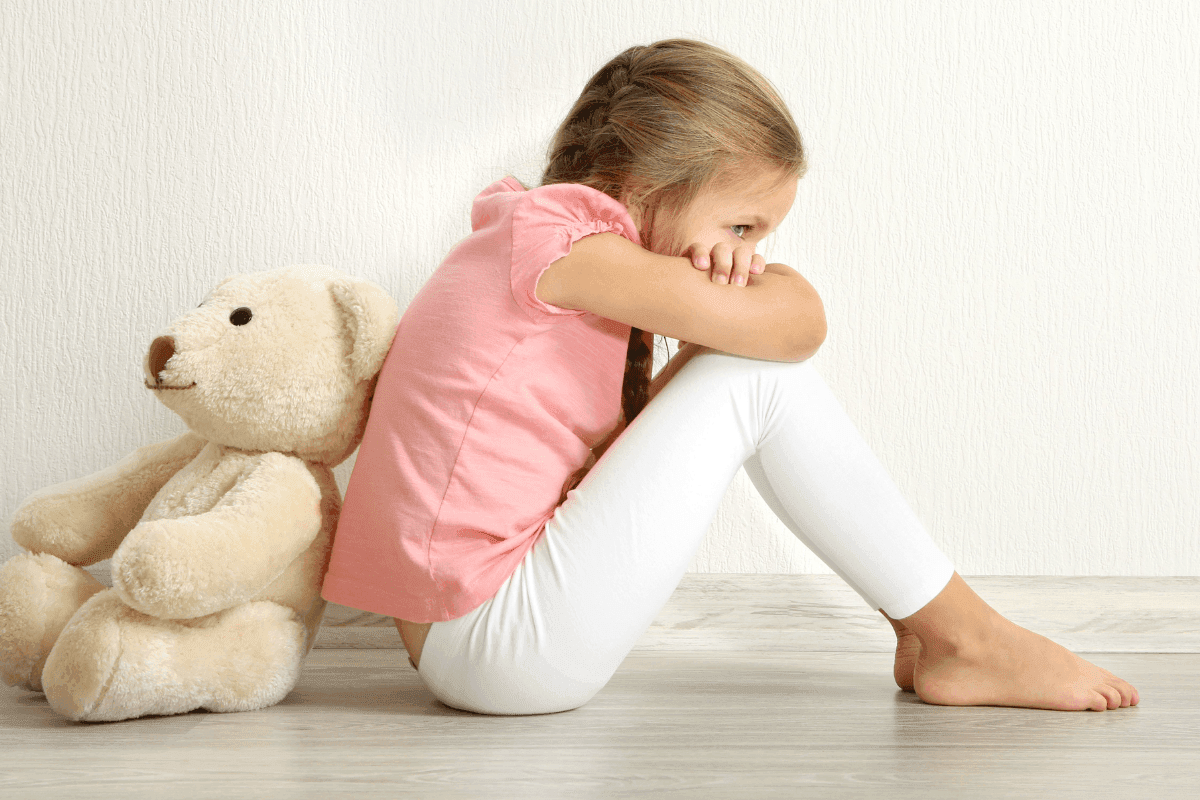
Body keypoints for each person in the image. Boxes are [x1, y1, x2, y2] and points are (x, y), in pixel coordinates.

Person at [321, 38, 1140, 715]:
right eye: (742, 225)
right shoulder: (563, 249)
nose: (748, 254)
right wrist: (769, 294)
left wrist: (742, 290)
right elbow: (798, 329)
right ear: (643, 191)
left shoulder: (540, 239)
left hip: (474, 640)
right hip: (491, 649)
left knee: (735, 366)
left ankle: (940, 634)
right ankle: (969, 638)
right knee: (758, 380)